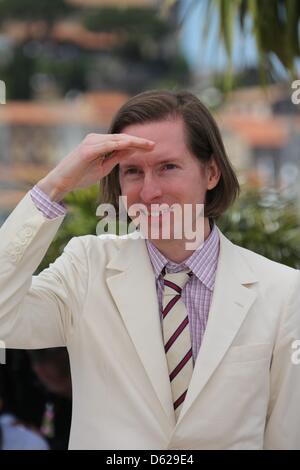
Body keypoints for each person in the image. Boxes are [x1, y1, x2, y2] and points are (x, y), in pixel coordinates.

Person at [0, 90, 299, 450]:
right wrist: (57, 184)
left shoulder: (282, 291)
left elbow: (286, 435)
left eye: (168, 167)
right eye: (132, 172)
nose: (150, 191)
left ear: (211, 172)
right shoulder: (87, 267)